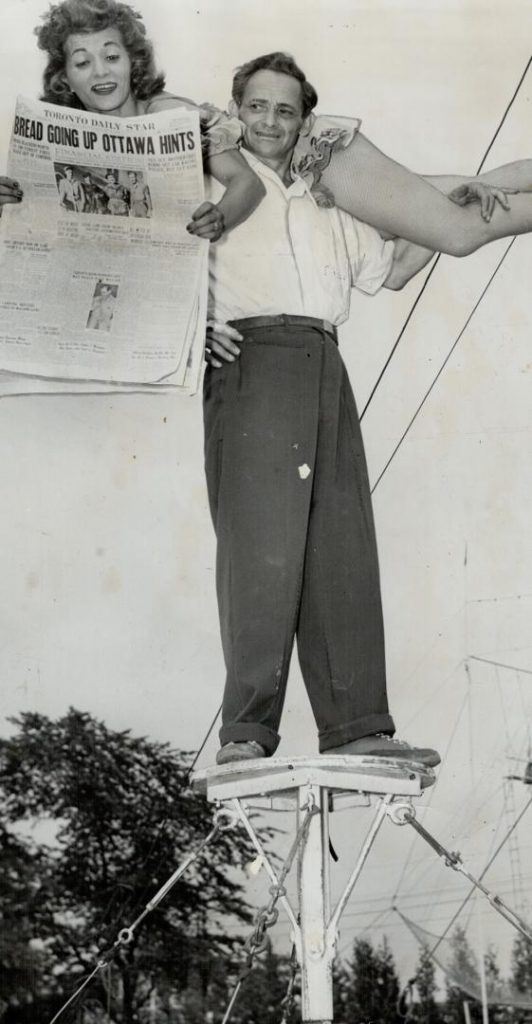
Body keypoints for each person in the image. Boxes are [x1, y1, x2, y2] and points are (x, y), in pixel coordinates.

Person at [203, 53, 532, 768]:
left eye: (285, 111)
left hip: (325, 360)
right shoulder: (210, 185)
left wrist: (459, 218)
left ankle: (357, 728)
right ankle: (245, 735)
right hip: (253, 365)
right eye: (256, 106)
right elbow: (144, 265)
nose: (269, 122)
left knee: (341, 547)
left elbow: (393, 269)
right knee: (264, 550)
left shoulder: (327, 200)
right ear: (235, 109)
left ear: (305, 121)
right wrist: (194, 322)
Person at [0, 0, 264, 239]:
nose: (101, 72)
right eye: (82, 63)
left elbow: (247, 182)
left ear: (132, 62)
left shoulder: (168, 114)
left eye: (112, 57)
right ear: (65, 77)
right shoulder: (55, 128)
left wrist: (219, 218)